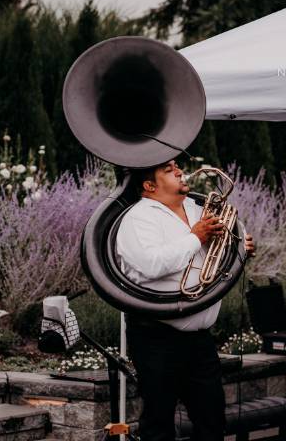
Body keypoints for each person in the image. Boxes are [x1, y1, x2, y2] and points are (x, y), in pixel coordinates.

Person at [116, 159, 254, 441]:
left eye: (177, 166)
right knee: (158, 423)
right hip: (156, 335)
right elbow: (150, 264)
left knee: (212, 420)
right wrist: (195, 237)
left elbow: (214, 261)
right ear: (149, 186)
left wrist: (240, 248)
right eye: (168, 170)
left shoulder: (198, 209)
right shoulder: (138, 218)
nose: (179, 171)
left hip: (200, 339)